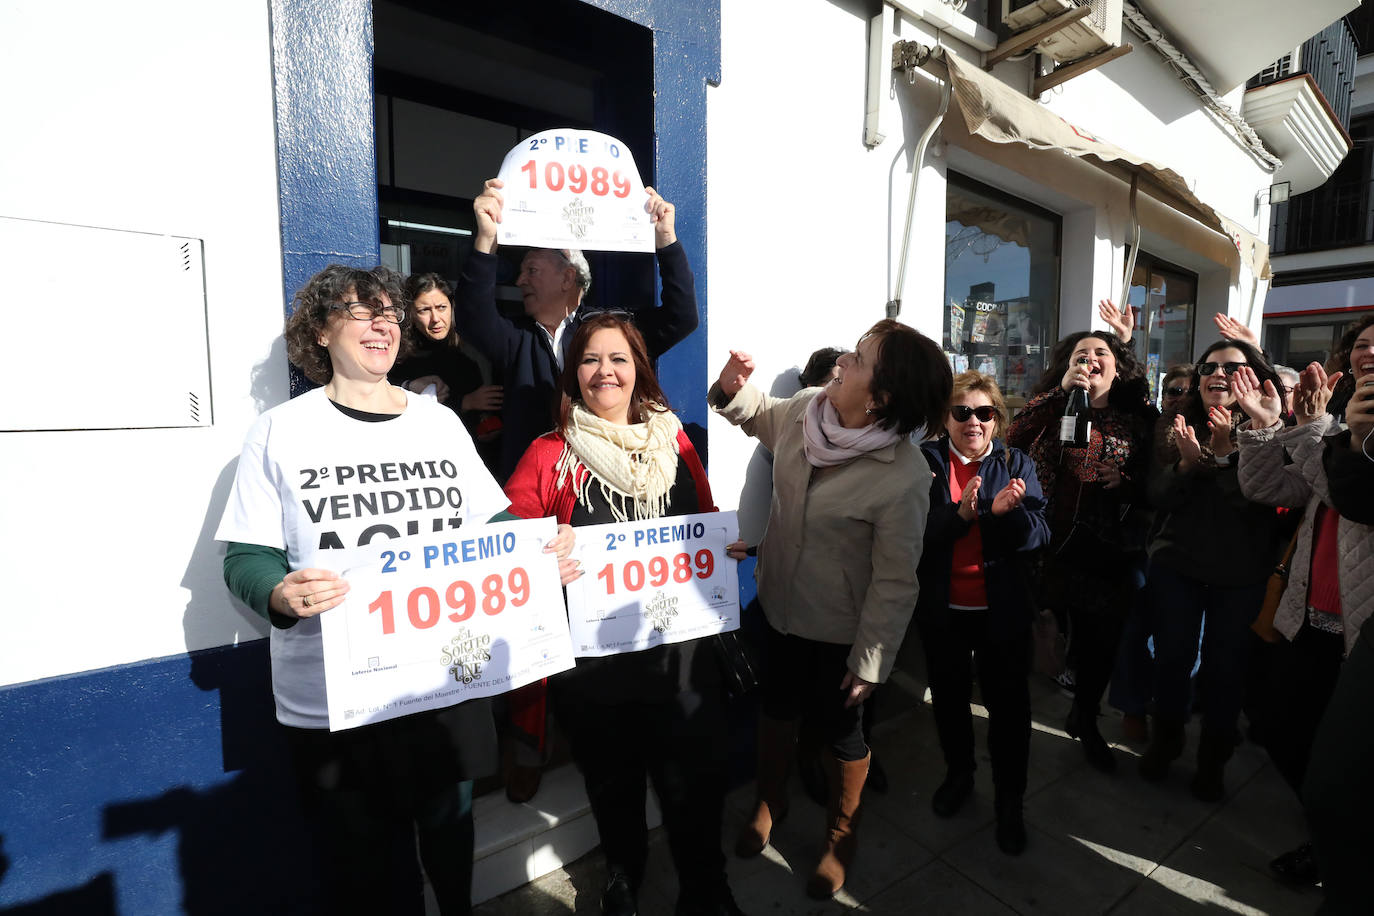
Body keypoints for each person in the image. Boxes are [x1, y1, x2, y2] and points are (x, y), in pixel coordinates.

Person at [215, 265, 576, 915]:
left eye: (390, 312)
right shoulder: (281, 431)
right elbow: (246, 556)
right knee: (362, 857)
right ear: (320, 331)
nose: (383, 322)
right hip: (338, 692)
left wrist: (540, 551)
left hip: (441, 676)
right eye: (361, 311)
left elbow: (491, 524)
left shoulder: (437, 425)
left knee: (449, 827)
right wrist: (277, 592)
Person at [503, 313, 740, 916]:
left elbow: (703, 515)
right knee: (612, 782)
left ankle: (705, 889)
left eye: (618, 359)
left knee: (695, 782)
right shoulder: (549, 452)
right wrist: (538, 557)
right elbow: (507, 538)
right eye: (589, 360)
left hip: (681, 658)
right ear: (572, 373)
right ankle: (622, 876)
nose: (603, 372)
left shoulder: (676, 440)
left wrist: (719, 546)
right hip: (596, 666)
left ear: (639, 370)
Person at [712, 320, 951, 900]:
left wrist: (871, 661)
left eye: (861, 358)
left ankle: (840, 836)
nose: (843, 359)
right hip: (778, 609)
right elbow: (755, 413)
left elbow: (896, 581)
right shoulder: (803, 411)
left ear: (882, 397)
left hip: (842, 634)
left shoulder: (904, 476)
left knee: (845, 736)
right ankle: (771, 801)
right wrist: (731, 388)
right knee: (777, 710)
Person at [1234, 317, 1374, 888]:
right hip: (1305, 618)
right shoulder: (1335, 429)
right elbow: (1271, 489)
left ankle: (1341, 852)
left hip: (1361, 637)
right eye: (1362, 343)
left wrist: (1312, 428)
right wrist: (1267, 429)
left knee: (1347, 769)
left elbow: (1355, 495)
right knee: (1280, 729)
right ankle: (1329, 835)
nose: (1369, 352)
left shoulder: (1330, 430)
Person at [457, 178, 699, 481]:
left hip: (607, 488)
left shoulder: (611, 330)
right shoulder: (517, 339)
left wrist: (665, 239)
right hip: (538, 493)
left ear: (567, 277)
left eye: (531, 270)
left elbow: (682, 317)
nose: (520, 281)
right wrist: (485, 239)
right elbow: (471, 317)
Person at [1138, 339, 1288, 801]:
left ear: (1255, 377)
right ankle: (1166, 743)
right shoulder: (1176, 423)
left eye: (1232, 367)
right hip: (1177, 566)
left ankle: (1212, 763)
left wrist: (1223, 456)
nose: (1217, 375)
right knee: (1172, 661)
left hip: (1239, 575)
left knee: (1225, 672)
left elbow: (1261, 505)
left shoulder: (1271, 432)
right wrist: (1186, 464)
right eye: (1210, 367)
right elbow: (1157, 497)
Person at [1006, 330, 1157, 772]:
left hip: (1109, 548)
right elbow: (1013, 439)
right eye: (1079, 354)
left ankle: (1085, 719)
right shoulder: (1056, 404)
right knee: (1043, 633)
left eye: (1100, 353)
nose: (1089, 360)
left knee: (1100, 645)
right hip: (1050, 544)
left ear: (1119, 365)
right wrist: (1061, 394)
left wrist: (1127, 484)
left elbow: (1159, 481)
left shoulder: (1140, 417)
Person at [915, 372, 1049, 855]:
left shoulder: (1017, 464)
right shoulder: (924, 464)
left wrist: (1006, 513)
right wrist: (963, 517)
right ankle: (960, 776)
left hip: (1002, 613)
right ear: (945, 419)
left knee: (1010, 713)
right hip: (944, 612)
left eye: (983, 413)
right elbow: (912, 536)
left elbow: (1039, 534)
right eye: (962, 412)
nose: (973, 421)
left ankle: (1010, 804)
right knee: (949, 703)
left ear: (997, 419)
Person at [1302, 333, 1374, 914]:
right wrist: (1341, 433)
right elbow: (1344, 495)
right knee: (1328, 783)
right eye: (1363, 344)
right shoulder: (1342, 416)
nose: (1369, 354)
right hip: (1326, 603)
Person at [389, 272, 504, 467]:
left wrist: (486, 427)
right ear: (411, 314)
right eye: (424, 310)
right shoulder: (395, 355)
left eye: (441, 307)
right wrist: (409, 388)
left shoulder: (468, 355)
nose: (435, 318)